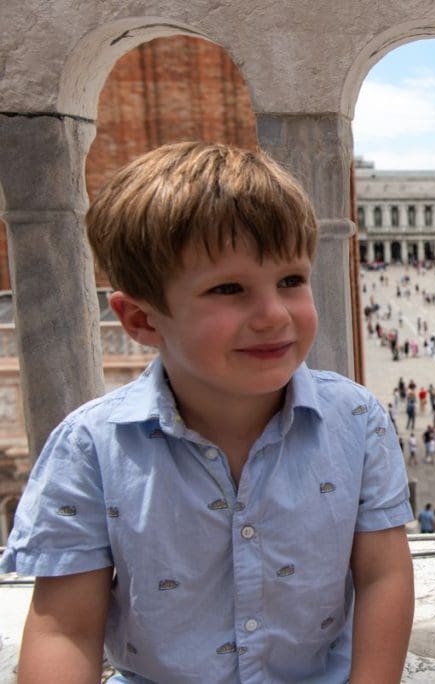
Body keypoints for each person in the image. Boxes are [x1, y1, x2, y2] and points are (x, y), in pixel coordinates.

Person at [1, 142, 414, 683]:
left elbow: (384, 575)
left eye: (291, 280)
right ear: (142, 320)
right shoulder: (90, 449)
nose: (273, 315)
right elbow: (64, 628)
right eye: (228, 289)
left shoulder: (357, 420)